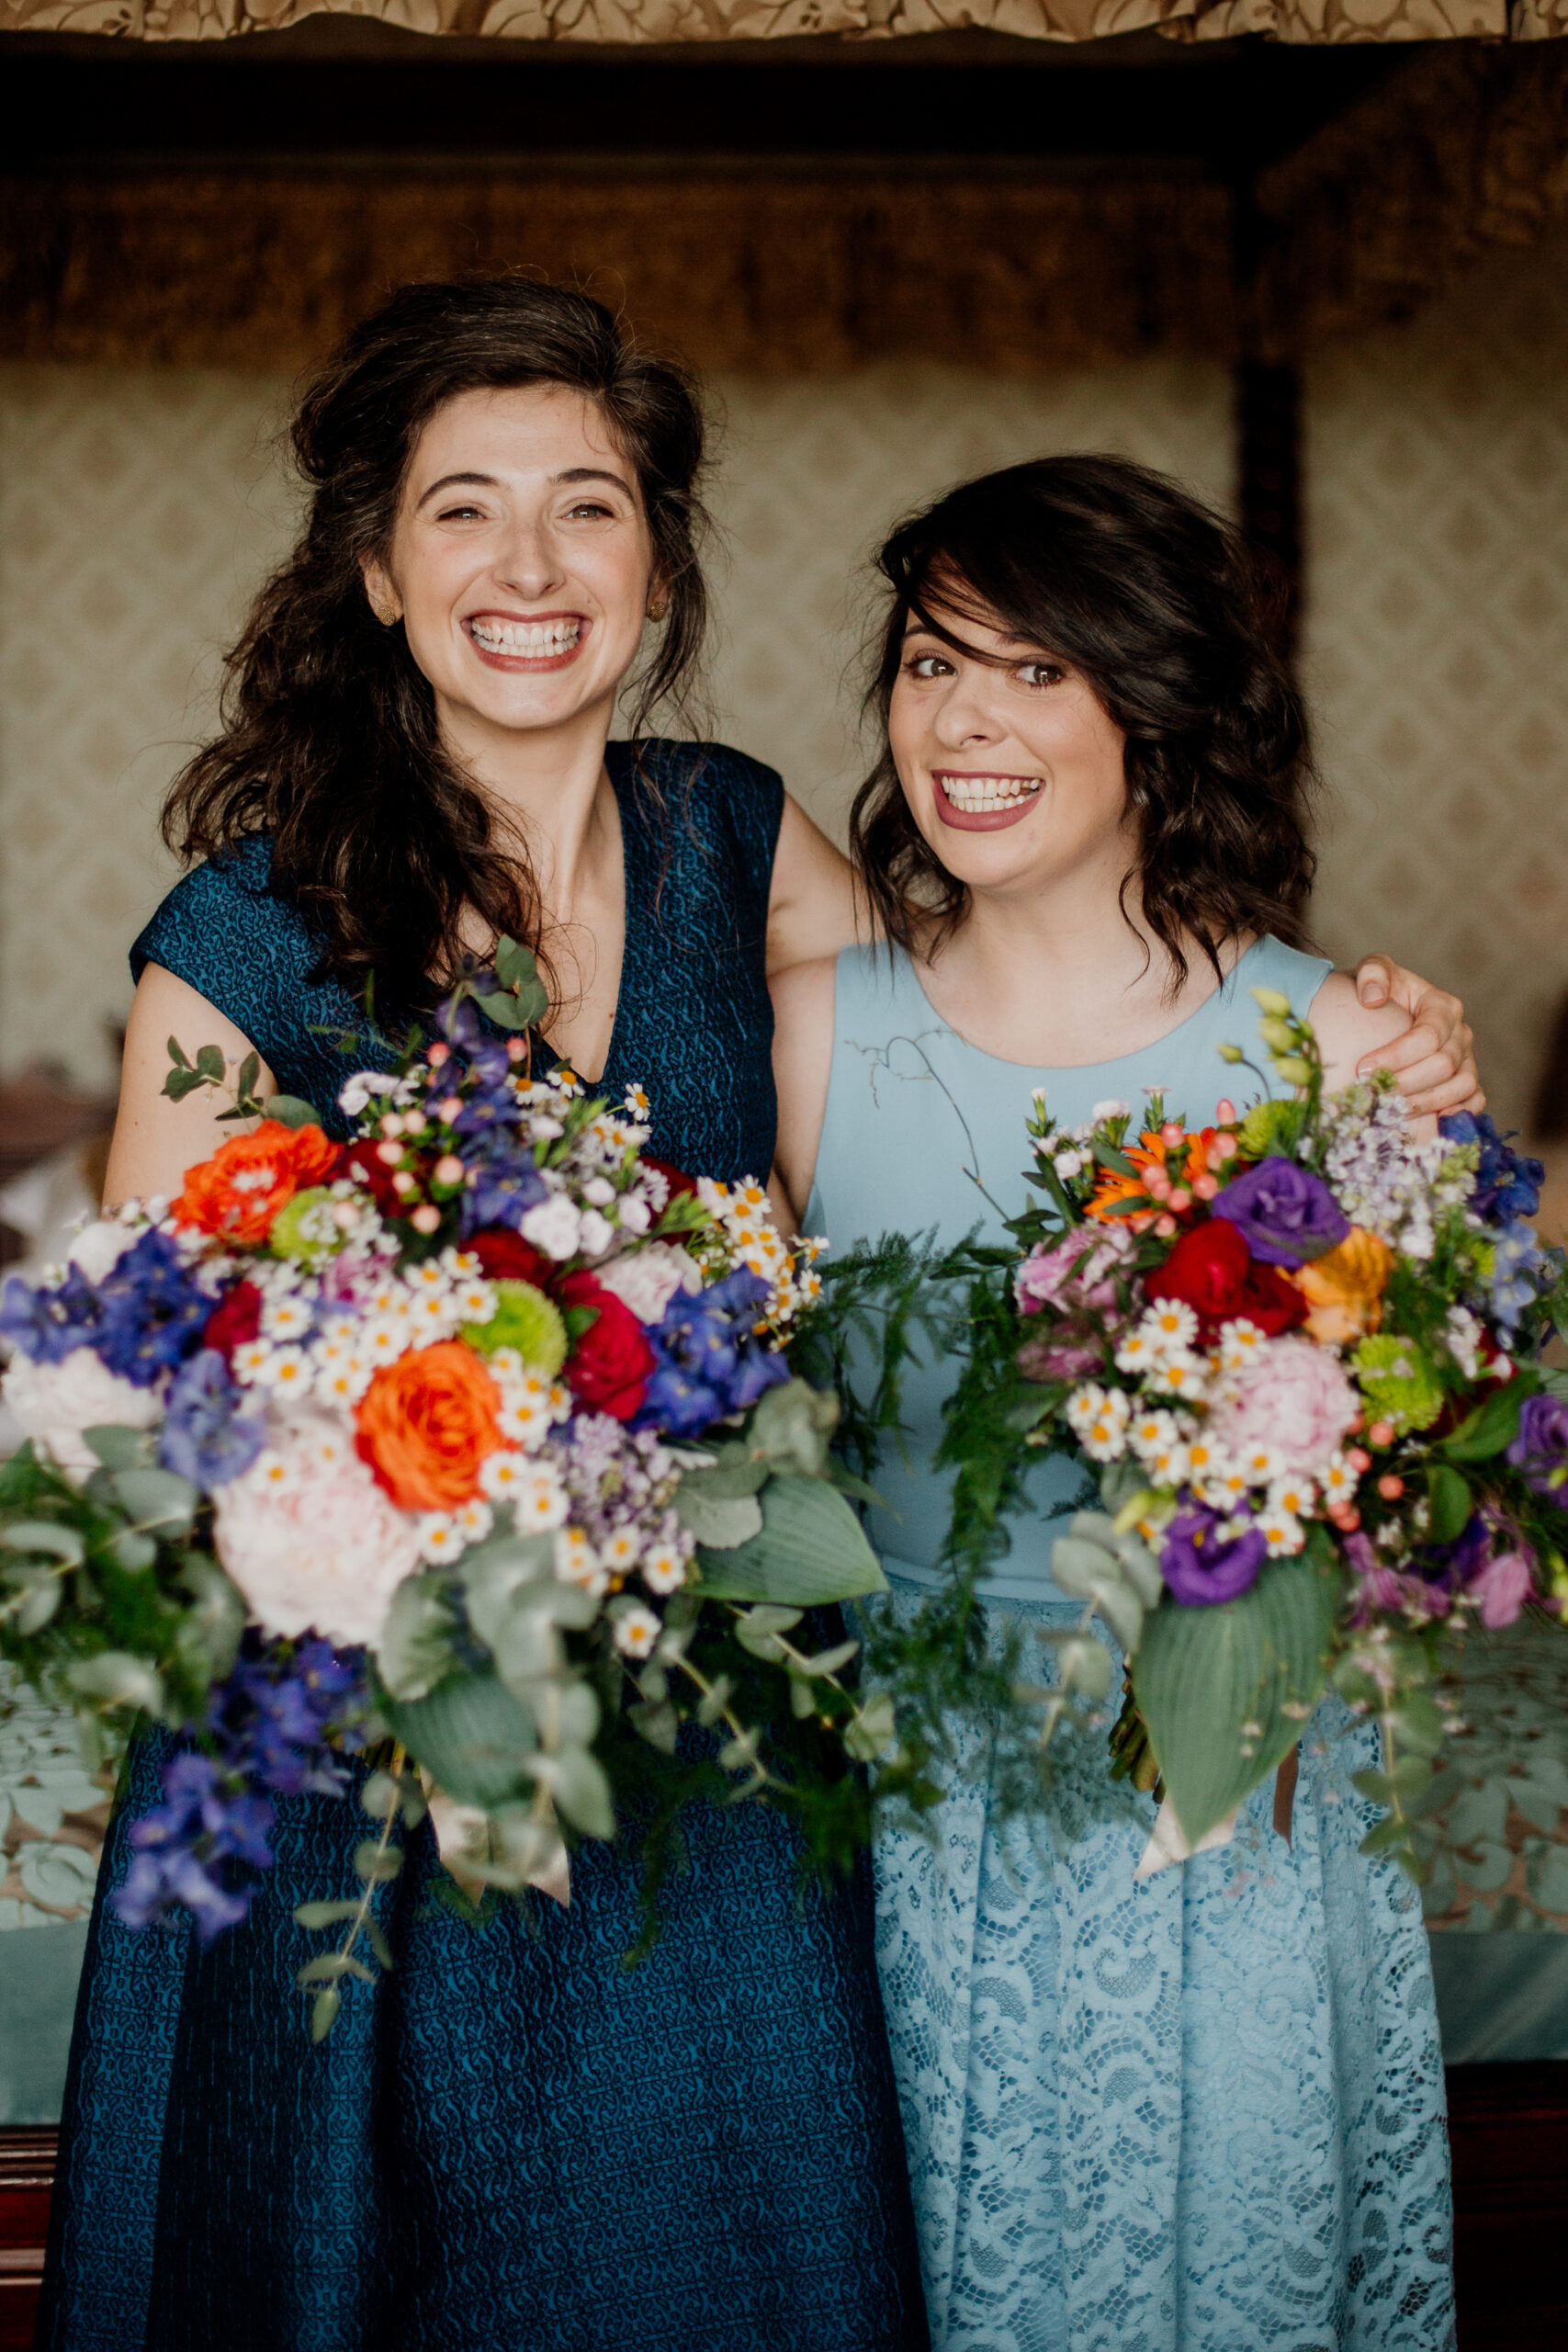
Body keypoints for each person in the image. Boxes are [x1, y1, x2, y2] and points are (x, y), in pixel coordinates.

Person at [40, 277, 929, 2352]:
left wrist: (1319, 1021)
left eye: (587, 507)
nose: (529, 569)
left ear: (657, 559)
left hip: (703, 1736)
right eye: (463, 510)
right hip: (368, 1756)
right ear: (373, 567)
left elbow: (986, 1074)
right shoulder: (246, 930)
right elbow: (129, 1394)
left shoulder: (739, 841)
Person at [771, 456, 1464, 2351]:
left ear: (1153, 704)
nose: (962, 721)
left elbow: (1451, 1445)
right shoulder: (810, 1033)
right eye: (928, 661)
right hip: (890, 1819)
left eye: (1031, 668)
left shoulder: (1335, 1042)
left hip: (1215, 1823)